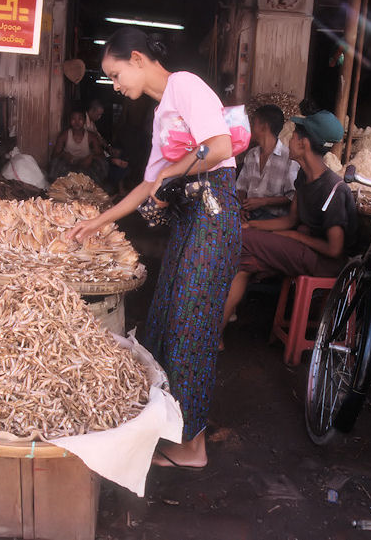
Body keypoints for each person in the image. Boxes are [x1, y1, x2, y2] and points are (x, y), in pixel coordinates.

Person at [66, 27, 241, 469]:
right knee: (165, 320)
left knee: (191, 328)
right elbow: (149, 185)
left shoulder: (185, 84)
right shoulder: (164, 111)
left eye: (116, 72)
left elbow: (220, 147)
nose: (115, 84)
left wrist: (174, 173)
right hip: (189, 224)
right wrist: (97, 221)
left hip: (213, 218)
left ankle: (192, 446)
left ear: (138, 58)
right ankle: (175, 431)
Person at [221, 110, 357, 331]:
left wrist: (293, 236)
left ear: (303, 144)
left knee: (242, 240)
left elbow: (334, 249)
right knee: (243, 260)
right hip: (304, 248)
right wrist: (251, 224)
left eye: (293, 136)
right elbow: (290, 220)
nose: (289, 140)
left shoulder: (333, 189)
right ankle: (215, 336)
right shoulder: (304, 177)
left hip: (326, 263)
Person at [235, 104, 299, 221]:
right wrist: (241, 208)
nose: (250, 127)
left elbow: (292, 197)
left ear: (264, 127)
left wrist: (264, 202)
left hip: (274, 219)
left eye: (253, 123)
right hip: (249, 214)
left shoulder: (289, 158)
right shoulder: (251, 155)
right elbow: (241, 187)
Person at [48, 107, 108, 183]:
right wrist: (63, 154)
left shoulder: (91, 137)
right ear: (70, 120)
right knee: (55, 163)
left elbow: (102, 156)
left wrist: (91, 157)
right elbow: (54, 156)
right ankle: (64, 185)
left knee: (102, 164)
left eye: (80, 119)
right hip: (68, 168)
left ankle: (89, 186)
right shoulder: (64, 135)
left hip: (86, 168)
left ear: (84, 120)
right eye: (73, 119)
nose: (77, 122)